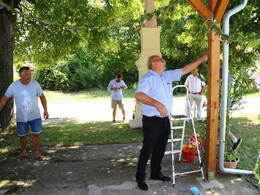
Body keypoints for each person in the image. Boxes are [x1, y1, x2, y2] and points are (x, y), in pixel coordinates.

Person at [135, 53, 208, 191]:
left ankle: (155, 173)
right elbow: (139, 95)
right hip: (152, 120)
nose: (164, 61)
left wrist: (203, 57)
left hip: (165, 120)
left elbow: (186, 69)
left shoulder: (166, 75)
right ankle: (140, 176)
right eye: (161, 60)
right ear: (153, 64)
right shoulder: (147, 78)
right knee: (148, 149)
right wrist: (156, 103)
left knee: (161, 148)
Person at [0, 67, 49, 161]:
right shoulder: (14, 86)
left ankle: (37, 154)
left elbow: (42, 97)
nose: (29, 76)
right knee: (22, 136)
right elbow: (4, 99)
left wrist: (45, 110)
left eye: (29, 74)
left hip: (35, 115)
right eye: (26, 74)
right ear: (20, 75)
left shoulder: (35, 84)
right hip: (22, 117)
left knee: (36, 134)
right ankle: (24, 153)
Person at [219, 66, 242, 151]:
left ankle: (235, 139)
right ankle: (218, 141)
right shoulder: (227, 74)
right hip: (224, 101)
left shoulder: (220, 73)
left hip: (222, 102)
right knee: (220, 123)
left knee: (219, 124)